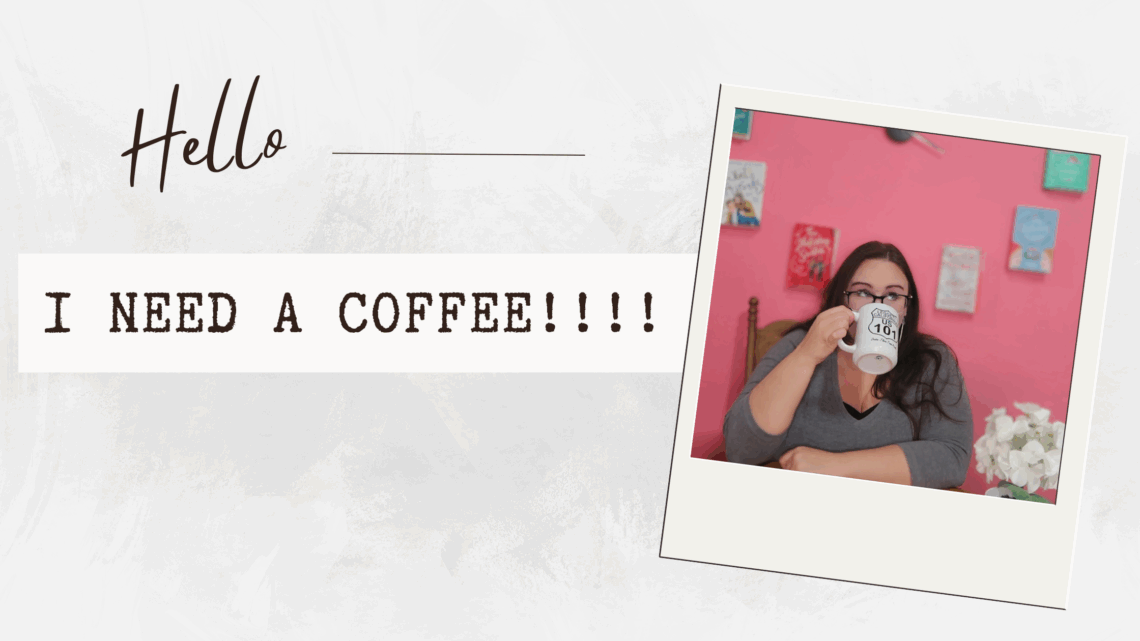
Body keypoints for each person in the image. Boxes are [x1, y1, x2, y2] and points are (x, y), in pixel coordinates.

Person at [723, 241, 972, 488]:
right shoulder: (798, 345)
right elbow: (740, 448)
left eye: (893, 295)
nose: (878, 306)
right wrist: (807, 354)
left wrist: (836, 466)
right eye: (863, 292)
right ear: (843, 299)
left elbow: (952, 457)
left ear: (906, 308)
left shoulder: (932, 361)